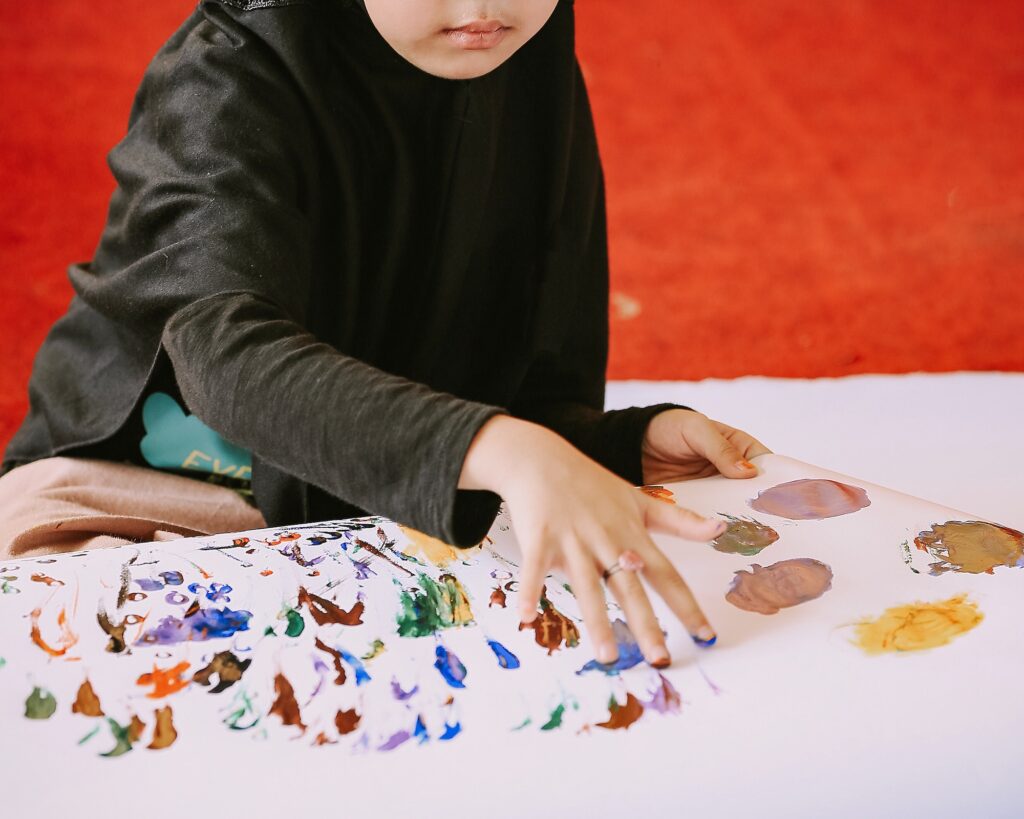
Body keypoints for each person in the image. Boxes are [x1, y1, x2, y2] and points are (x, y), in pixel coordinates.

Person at [1, 0, 768, 667]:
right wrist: (497, 448)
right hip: (134, 502)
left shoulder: (533, 64)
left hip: (355, 516)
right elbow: (224, 354)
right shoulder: (224, 80)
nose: (483, 7)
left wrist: (610, 445)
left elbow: (524, 396)